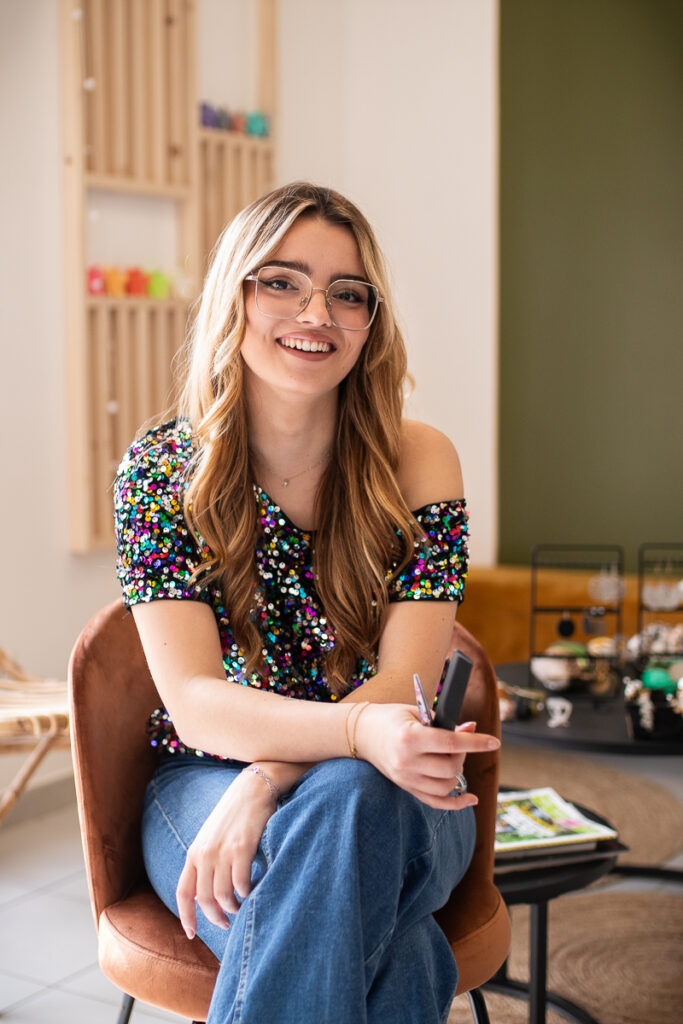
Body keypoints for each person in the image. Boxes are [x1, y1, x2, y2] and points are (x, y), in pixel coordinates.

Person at [113, 181, 499, 1024]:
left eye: (347, 293)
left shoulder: (418, 460)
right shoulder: (158, 471)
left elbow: (404, 682)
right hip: (204, 780)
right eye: (281, 280)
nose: (315, 312)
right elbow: (197, 707)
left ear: (370, 321)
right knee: (397, 954)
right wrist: (282, 762)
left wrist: (274, 776)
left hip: (396, 788)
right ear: (234, 294)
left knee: (354, 803)